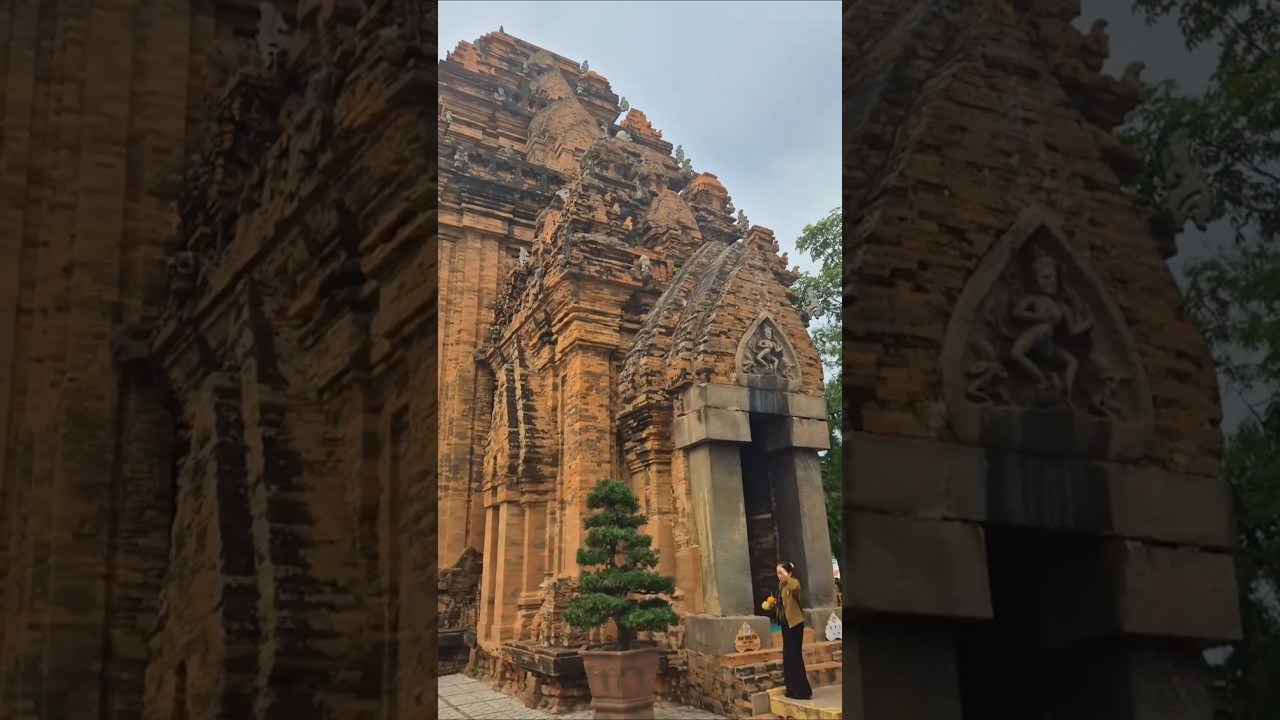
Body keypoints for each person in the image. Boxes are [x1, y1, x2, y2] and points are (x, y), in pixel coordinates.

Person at [776, 561, 813, 700]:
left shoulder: (794, 583)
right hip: (786, 624)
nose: (779, 576)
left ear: (789, 573)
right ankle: (791, 688)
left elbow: (795, 589)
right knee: (788, 657)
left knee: (795, 656)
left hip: (795, 624)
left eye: (782, 572)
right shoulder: (781, 585)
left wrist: (787, 577)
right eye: (778, 573)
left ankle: (802, 691)